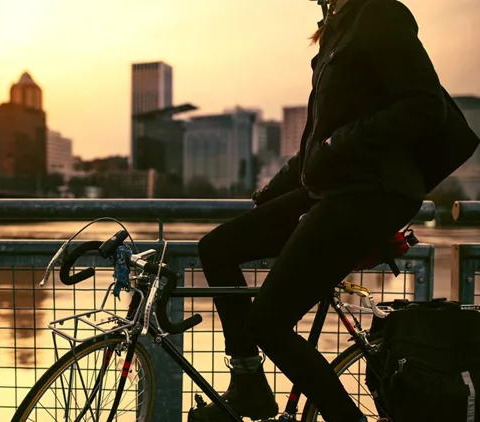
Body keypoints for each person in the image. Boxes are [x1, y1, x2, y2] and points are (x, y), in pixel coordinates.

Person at [188, 0, 479, 421]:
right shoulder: (336, 29)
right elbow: (315, 142)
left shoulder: (380, 14)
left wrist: (337, 145)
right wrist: (271, 194)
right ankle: (248, 382)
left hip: (369, 192)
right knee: (217, 248)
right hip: (331, 189)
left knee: (268, 323)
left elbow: (423, 105)